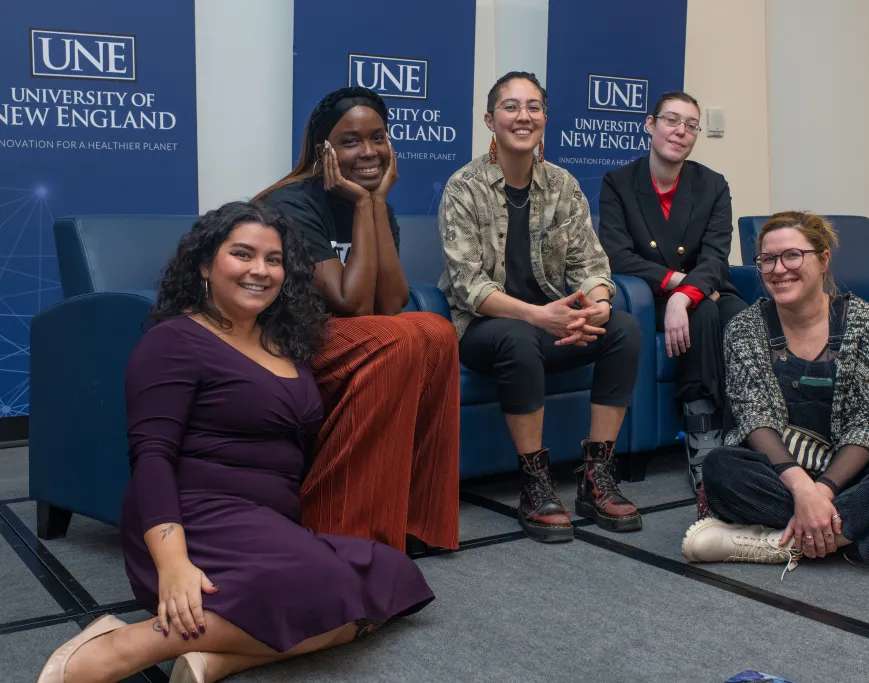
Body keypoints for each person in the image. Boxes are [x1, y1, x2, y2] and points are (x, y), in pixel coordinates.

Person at [37, 202, 435, 683]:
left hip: (270, 527)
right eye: (242, 254)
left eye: (273, 260)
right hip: (195, 520)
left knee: (395, 575)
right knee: (330, 590)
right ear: (205, 264)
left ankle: (216, 658)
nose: (260, 271)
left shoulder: (285, 341)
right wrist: (174, 563)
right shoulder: (173, 342)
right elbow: (152, 457)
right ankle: (124, 646)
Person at [681, 211, 869, 575]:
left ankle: (774, 542)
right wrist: (803, 490)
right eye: (767, 260)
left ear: (823, 258)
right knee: (720, 469)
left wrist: (823, 492)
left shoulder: (868, 323)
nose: (779, 269)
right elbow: (755, 419)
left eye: (792, 255)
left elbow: (868, 424)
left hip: (851, 473)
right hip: (779, 471)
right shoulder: (744, 328)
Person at [438, 71, 643, 543]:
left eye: (533, 107)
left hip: (551, 325)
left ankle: (596, 476)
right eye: (510, 107)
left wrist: (597, 304)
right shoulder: (463, 187)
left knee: (624, 328)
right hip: (486, 330)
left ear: (545, 118)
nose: (522, 116)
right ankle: (534, 482)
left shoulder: (563, 185)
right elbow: (469, 286)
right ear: (490, 120)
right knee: (517, 335)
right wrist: (537, 315)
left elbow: (590, 263)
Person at [257, 86, 459, 554]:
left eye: (378, 138)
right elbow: (349, 302)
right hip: (292, 339)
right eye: (349, 141)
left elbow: (390, 303)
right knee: (397, 340)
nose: (368, 152)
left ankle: (418, 521)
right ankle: (343, 529)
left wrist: (371, 205)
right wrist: (367, 205)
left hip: (351, 338)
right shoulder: (293, 204)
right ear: (321, 148)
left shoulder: (377, 203)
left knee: (437, 332)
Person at [598, 91, 746, 494]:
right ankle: (704, 444)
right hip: (653, 294)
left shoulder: (713, 185)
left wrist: (689, 293)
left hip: (708, 288)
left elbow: (717, 256)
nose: (680, 131)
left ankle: (752, 436)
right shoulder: (618, 183)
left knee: (742, 318)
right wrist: (681, 288)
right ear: (650, 124)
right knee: (706, 314)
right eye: (671, 120)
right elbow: (616, 256)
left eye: (691, 125)